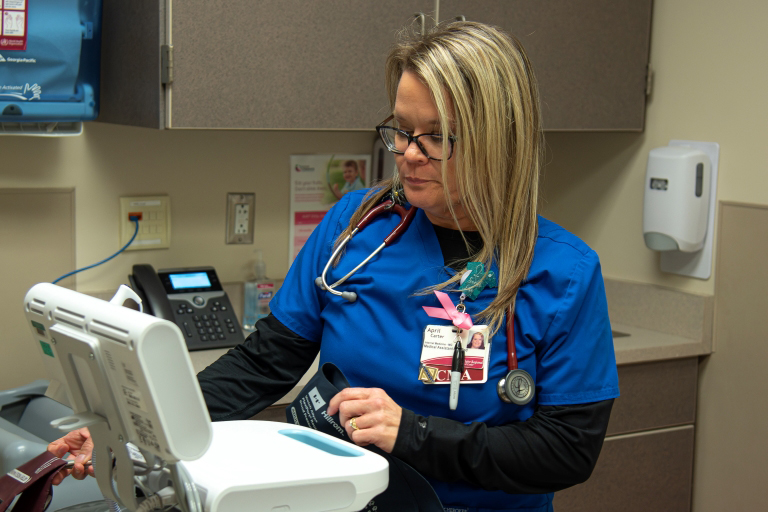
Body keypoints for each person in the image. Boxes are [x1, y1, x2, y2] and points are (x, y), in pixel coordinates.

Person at [50, 21, 619, 512]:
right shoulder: (359, 224)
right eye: (401, 129)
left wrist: (414, 436)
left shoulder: (561, 273)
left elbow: (566, 451)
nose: (408, 154)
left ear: (500, 139)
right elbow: (265, 363)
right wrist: (132, 438)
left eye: (437, 137)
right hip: (346, 499)